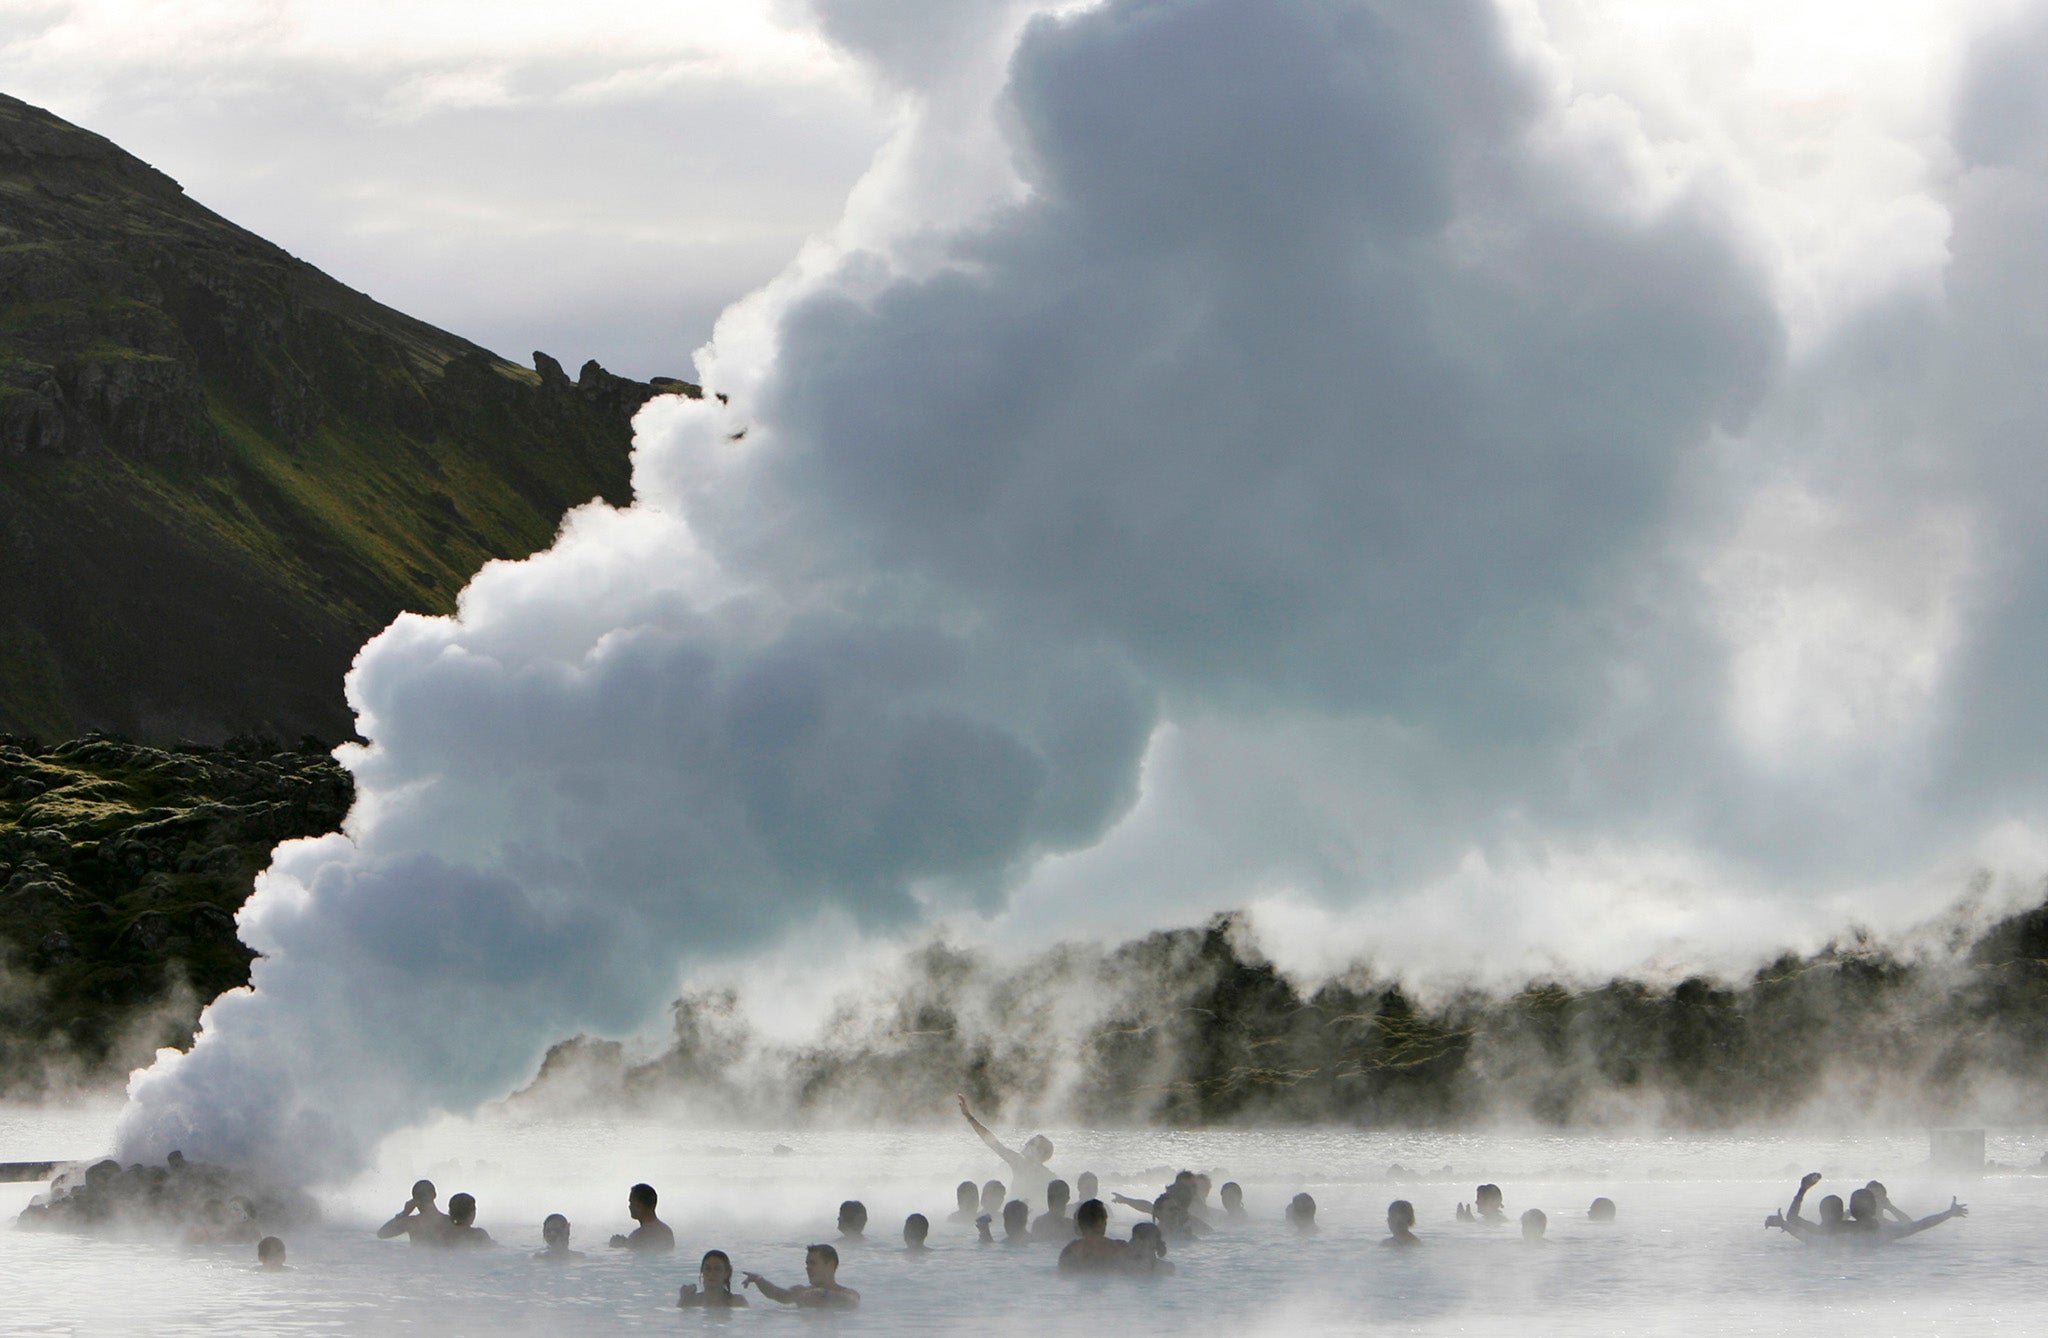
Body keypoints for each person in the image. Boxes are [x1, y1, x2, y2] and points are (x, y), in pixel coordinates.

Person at [957, 1094, 1055, 1204]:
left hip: (1014, 1213)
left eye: (1032, 1143)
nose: (1026, 1144)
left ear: (1040, 1152)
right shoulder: (1050, 1176)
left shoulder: (1020, 1163)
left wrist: (969, 1117)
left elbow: (992, 1142)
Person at [744, 1243, 859, 1309]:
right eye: (807, 1263)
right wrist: (759, 1279)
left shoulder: (849, 1293)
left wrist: (824, 1294)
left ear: (830, 1265)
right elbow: (776, 1294)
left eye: (813, 1263)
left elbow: (852, 1301)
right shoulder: (801, 1291)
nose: (808, 1268)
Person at [1058, 1198, 1128, 1275]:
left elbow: (1062, 1276)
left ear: (1080, 1223)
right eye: (1105, 1221)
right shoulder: (1119, 1248)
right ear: (1100, 1222)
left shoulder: (1070, 1251)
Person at [376, 1179, 449, 1246]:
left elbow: (382, 1234)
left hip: (419, 1259)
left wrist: (404, 1213)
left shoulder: (412, 1223)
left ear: (414, 1200)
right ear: (434, 1195)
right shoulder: (449, 1221)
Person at [609, 1183, 674, 1253]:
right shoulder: (667, 1231)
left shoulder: (638, 1236)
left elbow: (635, 1258)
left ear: (640, 1205)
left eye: (631, 1202)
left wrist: (624, 1244)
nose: (629, 1206)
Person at [679, 1249, 749, 1308]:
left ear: (726, 1273)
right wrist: (683, 1299)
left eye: (717, 1269)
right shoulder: (692, 1301)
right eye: (707, 1268)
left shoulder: (738, 1301)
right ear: (702, 1271)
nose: (712, 1273)